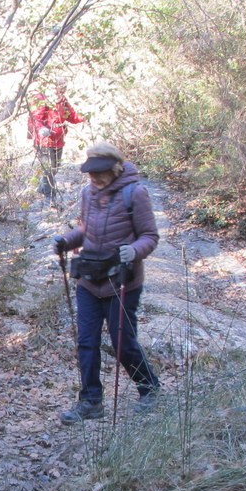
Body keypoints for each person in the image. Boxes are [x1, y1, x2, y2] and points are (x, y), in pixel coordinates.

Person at [52, 142, 160, 424]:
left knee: (122, 342)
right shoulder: (88, 193)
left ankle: (149, 388)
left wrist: (135, 251)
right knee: (86, 342)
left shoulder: (135, 193)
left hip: (122, 280)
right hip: (89, 279)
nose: (94, 178)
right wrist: (67, 241)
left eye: (100, 173)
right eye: (91, 173)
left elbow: (150, 236)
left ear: (115, 169)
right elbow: (85, 230)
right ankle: (90, 401)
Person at [27, 78, 83, 197]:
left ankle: (42, 189)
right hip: (45, 140)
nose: (63, 89)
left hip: (59, 139)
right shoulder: (42, 99)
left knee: (55, 167)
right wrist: (42, 129)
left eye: (65, 86)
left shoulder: (62, 100)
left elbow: (71, 116)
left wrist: (83, 117)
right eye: (61, 86)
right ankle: (49, 194)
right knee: (49, 168)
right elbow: (36, 118)